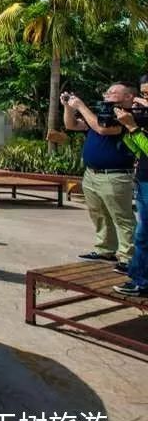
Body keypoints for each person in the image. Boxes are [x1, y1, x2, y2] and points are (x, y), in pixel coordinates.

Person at [64, 85, 137, 265]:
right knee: (99, 214)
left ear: (128, 96)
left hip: (115, 175)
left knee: (122, 217)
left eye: (113, 92)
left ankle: (128, 257)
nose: (108, 94)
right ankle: (105, 249)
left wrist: (80, 106)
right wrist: (68, 107)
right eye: (107, 92)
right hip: (92, 174)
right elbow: (71, 125)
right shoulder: (101, 114)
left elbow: (103, 129)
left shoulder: (127, 116)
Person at [113, 104, 148, 296]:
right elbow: (139, 151)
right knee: (142, 235)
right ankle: (138, 274)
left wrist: (134, 128)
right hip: (142, 181)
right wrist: (127, 131)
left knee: (144, 236)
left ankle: (141, 282)